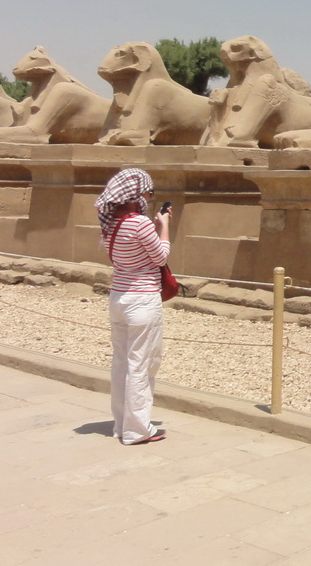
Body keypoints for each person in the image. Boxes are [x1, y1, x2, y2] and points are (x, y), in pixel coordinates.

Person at [94, 168, 171, 445]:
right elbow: (161, 258)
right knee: (141, 364)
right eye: (149, 192)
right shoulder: (139, 223)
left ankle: (121, 424)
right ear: (137, 193)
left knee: (121, 364)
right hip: (142, 299)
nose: (149, 197)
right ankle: (138, 429)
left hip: (119, 297)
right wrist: (164, 227)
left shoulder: (111, 223)